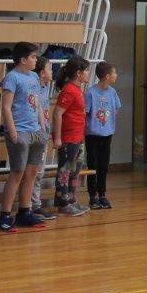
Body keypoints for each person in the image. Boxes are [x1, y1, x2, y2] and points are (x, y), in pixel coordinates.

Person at [0, 42, 47, 232]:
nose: (36, 60)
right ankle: (4, 216)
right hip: (20, 131)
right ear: (23, 59)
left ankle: (25, 212)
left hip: (36, 132)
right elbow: (6, 107)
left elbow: (38, 103)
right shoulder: (12, 77)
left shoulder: (33, 76)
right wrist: (13, 132)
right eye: (33, 57)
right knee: (17, 173)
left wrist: (42, 126)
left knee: (31, 173)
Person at [52, 55, 90, 217]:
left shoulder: (77, 89)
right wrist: (58, 137)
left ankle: (71, 199)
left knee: (75, 170)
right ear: (78, 73)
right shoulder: (68, 90)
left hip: (77, 136)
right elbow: (57, 114)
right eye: (86, 70)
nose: (88, 73)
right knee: (65, 171)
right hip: (68, 138)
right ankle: (63, 203)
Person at [85, 62, 120, 209]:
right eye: (114, 73)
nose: (116, 75)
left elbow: (116, 108)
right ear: (107, 76)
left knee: (103, 165)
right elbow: (85, 112)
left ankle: (102, 194)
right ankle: (92, 196)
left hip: (107, 134)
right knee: (93, 164)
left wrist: (107, 123)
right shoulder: (90, 93)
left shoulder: (112, 92)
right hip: (93, 134)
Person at [28, 56, 56, 222]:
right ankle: (32, 206)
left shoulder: (45, 88)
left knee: (40, 172)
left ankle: (35, 204)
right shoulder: (34, 88)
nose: (52, 71)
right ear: (42, 73)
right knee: (34, 172)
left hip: (43, 134)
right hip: (34, 134)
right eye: (49, 68)